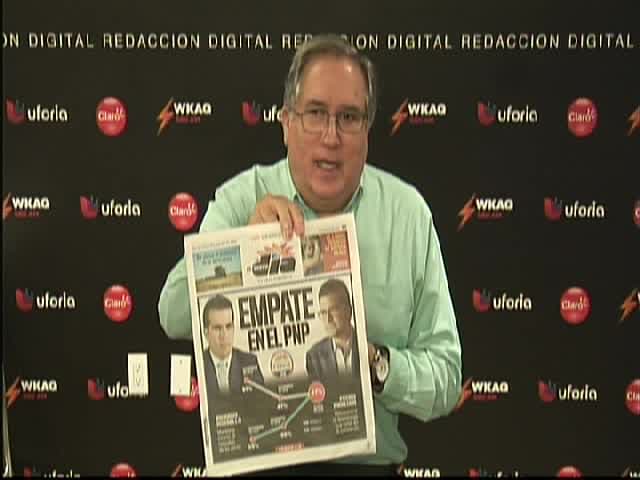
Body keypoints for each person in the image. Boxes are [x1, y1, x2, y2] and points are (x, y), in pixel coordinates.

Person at [159, 33, 461, 476]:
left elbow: (446, 379)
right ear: (286, 123)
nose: (330, 136)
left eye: (349, 117)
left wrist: (375, 365)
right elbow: (172, 313)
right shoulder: (242, 199)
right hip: (257, 464)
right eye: (315, 113)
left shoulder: (407, 214)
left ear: (367, 130)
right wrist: (244, 251)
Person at [202, 294, 264, 395]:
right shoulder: (199, 363)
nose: (224, 335)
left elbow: (261, 399)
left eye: (228, 326)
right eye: (217, 328)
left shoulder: (249, 361)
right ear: (206, 332)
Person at [306, 278, 359, 380]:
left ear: (349, 311)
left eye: (333, 310)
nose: (328, 319)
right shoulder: (314, 356)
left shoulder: (366, 342)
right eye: (323, 312)